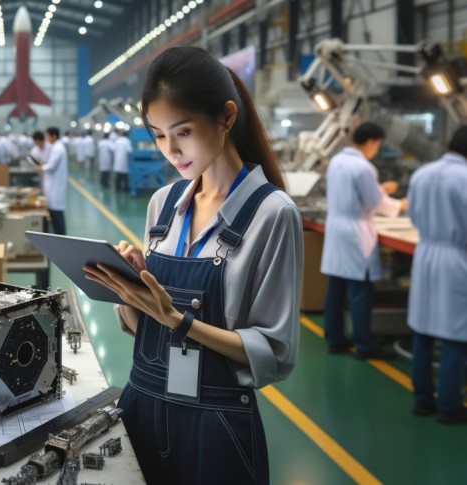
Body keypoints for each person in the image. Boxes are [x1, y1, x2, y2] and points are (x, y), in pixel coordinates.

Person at [83, 46, 301, 484]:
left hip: (215, 428)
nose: (171, 150)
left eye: (182, 132)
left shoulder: (272, 214)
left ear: (226, 117)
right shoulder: (163, 205)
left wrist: (179, 321)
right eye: (158, 135)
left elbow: (274, 353)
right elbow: (141, 329)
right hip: (141, 406)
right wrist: (129, 289)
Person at [321, 122, 405, 360]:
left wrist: (380, 190)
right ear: (372, 142)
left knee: (336, 289)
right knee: (360, 291)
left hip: (336, 229)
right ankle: (364, 345)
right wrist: (400, 204)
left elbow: (359, 194)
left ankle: (335, 339)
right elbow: (374, 202)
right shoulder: (364, 167)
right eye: (377, 145)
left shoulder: (337, 161)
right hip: (355, 232)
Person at [406, 126, 467, 424]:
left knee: (424, 331)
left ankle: (422, 400)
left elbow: (413, 215)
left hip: (426, 254)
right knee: (455, 335)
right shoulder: (464, 177)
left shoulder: (422, 174)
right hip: (457, 259)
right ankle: (449, 406)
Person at [38, 127, 67, 235]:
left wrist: (42, 167)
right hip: (53, 187)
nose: (47, 139)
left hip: (56, 188)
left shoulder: (58, 148)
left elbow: (51, 166)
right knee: (55, 216)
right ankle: (59, 237)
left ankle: (62, 239)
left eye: (48, 136)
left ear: (54, 136)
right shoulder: (56, 147)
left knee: (57, 217)